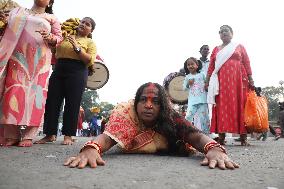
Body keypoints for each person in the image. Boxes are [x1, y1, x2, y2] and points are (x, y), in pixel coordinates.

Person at [64, 82, 239, 170]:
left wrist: (214, 149)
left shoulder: (169, 116)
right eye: (143, 100)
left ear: (162, 106)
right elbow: (108, 139)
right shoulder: (127, 113)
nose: (148, 105)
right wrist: (90, 150)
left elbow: (196, 136)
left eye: (155, 101)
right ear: (136, 103)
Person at [0, 0, 62, 147]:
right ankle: (11, 134)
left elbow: (59, 38)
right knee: (13, 90)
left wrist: (50, 37)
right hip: (17, 57)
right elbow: (5, 31)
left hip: (40, 62)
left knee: (38, 95)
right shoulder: (17, 12)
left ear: (50, 2)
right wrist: (4, 21)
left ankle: (29, 134)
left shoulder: (52, 18)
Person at [35, 17, 97, 145]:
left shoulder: (90, 42)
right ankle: (49, 134)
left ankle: (68, 135)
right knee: (52, 101)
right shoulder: (66, 35)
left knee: (72, 103)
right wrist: (52, 44)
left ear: (91, 30)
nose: (83, 25)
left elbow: (89, 60)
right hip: (60, 68)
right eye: (82, 22)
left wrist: (76, 46)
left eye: (88, 24)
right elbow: (56, 52)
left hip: (78, 71)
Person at [205, 25, 254, 146]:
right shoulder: (216, 49)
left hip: (239, 81)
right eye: (220, 31)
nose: (223, 33)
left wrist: (251, 78)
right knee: (221, 106)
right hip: (221, 83)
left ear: (232, 33)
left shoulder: (239, 46)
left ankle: (243, 138)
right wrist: (207, 81)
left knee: (240, 106)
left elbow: (247, 62)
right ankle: (221, 137)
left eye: (226, 30)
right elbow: (211, 66)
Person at [183, 57, 210, 134]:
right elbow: (184, 88)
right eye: (188, 65)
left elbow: (207, 83)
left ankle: (206, 134)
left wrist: (207, 86)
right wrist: (189, 83)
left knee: (204, 118)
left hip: (202, 100)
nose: (190, 66)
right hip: (192, 101)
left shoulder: (202, 74)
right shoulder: (187, 77)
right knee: (188, 116)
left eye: (192, 64)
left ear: (197, 65)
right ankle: (187, 132)